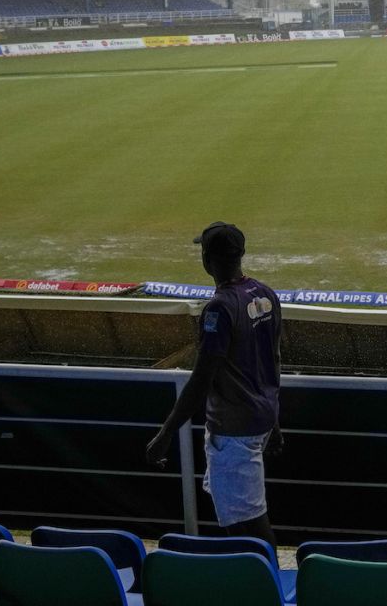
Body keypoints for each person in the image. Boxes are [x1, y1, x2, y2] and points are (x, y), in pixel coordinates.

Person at [145, 222, 284, 546]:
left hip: (235, 430)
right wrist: (273, 420)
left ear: (207, 260)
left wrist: (166, 433)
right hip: (259, 420)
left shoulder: (219, 309)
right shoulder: (265, 294)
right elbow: (272, 364)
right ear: (242, 254)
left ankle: (266, 585)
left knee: (246, 524)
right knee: (246, 518)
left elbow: (202, 377)